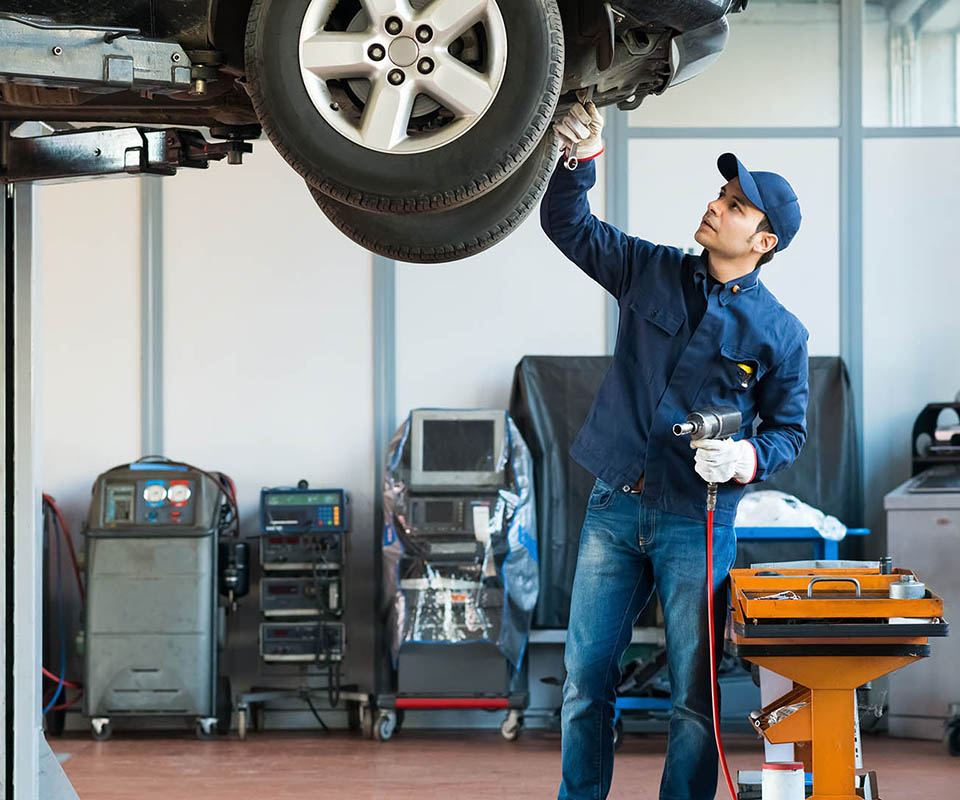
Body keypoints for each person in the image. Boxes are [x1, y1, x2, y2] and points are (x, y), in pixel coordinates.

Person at [542, 98, 810, 800]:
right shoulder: (649, 271)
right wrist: (581, 160)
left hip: (698, 521)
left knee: (696, 699)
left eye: (736, 206)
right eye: (721, 195)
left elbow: (791, 428)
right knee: (584, 681)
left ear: (766, 241)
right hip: (614, 508)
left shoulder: (781, 335)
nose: (716, 207)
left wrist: (748, 458)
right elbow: (566, 225)